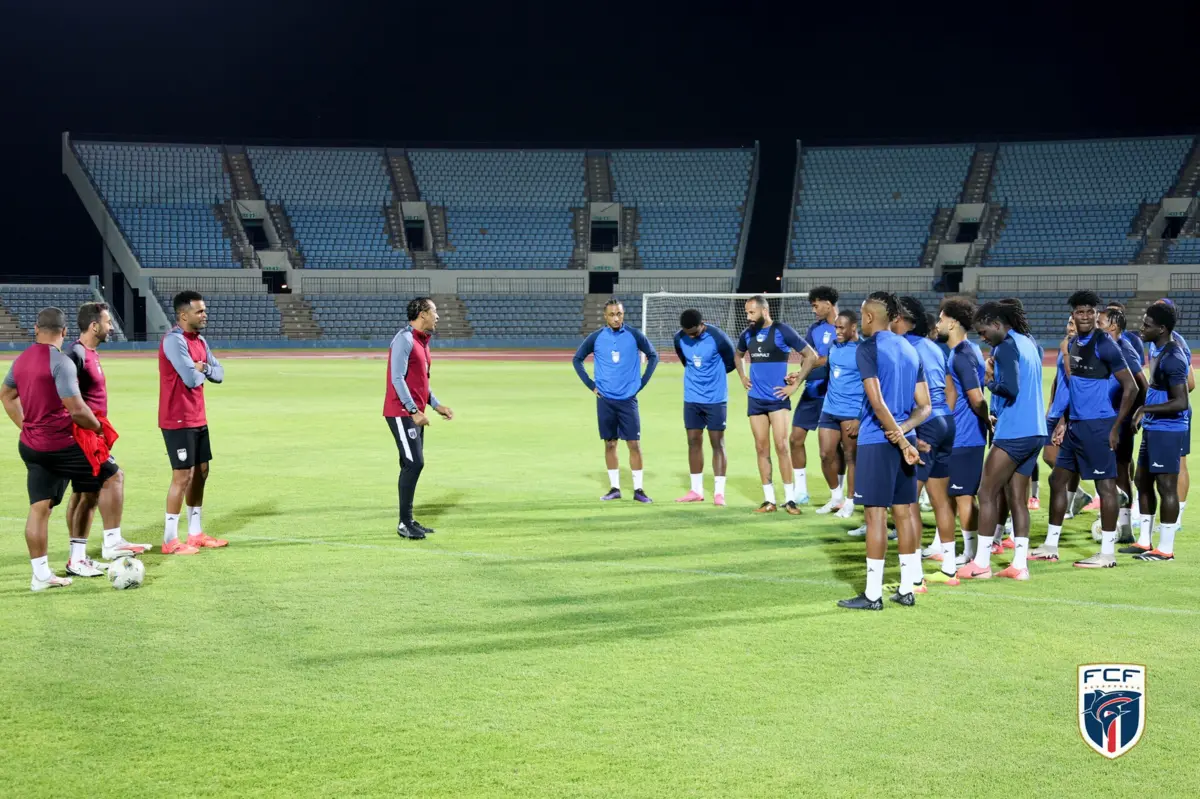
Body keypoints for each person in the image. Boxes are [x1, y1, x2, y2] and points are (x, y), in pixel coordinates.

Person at [1, 308, 118, 590]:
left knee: (39, 508)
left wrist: (25, 424)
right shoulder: (61, 362)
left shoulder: (21, 360)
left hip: (31, 445)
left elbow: (6, 395)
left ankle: (41, 575)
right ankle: (110, 544)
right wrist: (99, 428)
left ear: (35, 328)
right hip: (61, 445)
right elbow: (77, 410)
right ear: (64, 332)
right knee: (112, 474)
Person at [837, 291, 930, 610]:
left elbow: (877, 403)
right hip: (906, 441)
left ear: (867, 317)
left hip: (878, 442)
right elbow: (925, 406)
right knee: (903, 513)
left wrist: (899, 440)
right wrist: (906, 432)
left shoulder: (868, 348)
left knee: (876, 516)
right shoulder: (909, 347)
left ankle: (873, 594)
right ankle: (907, 589)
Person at [956, 300, 1045, 581]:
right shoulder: (1028, 342)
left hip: (1015, 430)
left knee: (986, 492)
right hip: (1035, 430)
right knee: (1017, 497)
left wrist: (989, 379)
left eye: (983, 332)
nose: (982, 337)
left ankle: (981, 562)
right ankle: (1019, 565)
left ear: (997, 325)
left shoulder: (1006, 345)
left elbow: (1010, 388)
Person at [1048, 291, 1138, 569]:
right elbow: (1073, 387)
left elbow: (1132, 387)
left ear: (1096, 313)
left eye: (1089, 311)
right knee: (1056, 480)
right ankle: (1050, 545)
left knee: (1106, 487)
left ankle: (1107, 554)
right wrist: (1063, 421)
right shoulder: (1073, 343)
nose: (1085, 316)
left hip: (1098, 425)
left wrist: (1115, 426)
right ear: (1073, 314)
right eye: (1080, 312)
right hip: (1075, 425)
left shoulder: (1105, 344)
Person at [65, 301, 148, 561]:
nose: (110, 327)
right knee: (114, 477)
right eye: (107, 322)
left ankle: (77, 551)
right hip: (83, 434)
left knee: (82, 491)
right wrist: (91, 426)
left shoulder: (88, 352)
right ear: (94, 325)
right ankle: (112, 542)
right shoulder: (75, 355)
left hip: (91, 431)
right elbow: (65, 396)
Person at [893, 297, 956, 584]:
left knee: (908, 500)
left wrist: (913, 433)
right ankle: (950, 567)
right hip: (946, 422)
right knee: (940, 498)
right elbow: (948, 387)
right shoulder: (934, 347)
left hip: (925, 425)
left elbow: (911, 395)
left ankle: (915, 578)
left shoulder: (904, 348)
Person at [158, 290, 227, 554]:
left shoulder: (200, 341)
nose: (204, 314)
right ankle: (170, 540)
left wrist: (204, 368)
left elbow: (219, 373)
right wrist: (198, 370)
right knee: (182, 476)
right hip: (177, 418)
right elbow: (190, 379)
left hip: (197, 416)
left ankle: (195, 533)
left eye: (204, 310)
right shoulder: (174, 341)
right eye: (199, 311)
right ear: (183, 315)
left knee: (201, 472)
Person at [735, 295, 817, 513]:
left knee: (781, 446)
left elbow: (811, 356)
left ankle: (790, 499)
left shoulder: (782, 330)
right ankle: (769, 500)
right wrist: (743, 376)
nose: (748, 317)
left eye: (752, 312)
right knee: (761, 448)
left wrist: (796, 384)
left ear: (764, 310)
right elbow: (738, 355)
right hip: (756, 401)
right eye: (746, 313)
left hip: (778, 400)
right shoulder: (747, 334)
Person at [574, 299, 659, 502]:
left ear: (624, 314)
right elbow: (577, 359)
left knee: (634, 444)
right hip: (605, 400)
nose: (615, 318)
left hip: (627, 400)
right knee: (610, 444)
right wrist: (591, 385)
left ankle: (639, 490)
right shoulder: (596, 337)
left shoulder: (634, 335)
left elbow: (653, 356)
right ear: (605, 316)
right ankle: (615, 489)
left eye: (619, 314)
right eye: (611, 314)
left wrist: (641, 383)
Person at [385, 297, 454, 539]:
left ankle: (409, 519)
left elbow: (421, 383)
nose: (438, 316)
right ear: (422, 313)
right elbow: (397, 379)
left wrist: (435, 405)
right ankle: (404, 523)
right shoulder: (404, 339)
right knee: (414, 463)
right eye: (434, 311)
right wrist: (414, 411)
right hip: (401, 412)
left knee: (411, 463)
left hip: (414, 412)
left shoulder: (422, 342)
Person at [932, 297, 989, 577]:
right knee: (959, 496)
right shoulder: (967, 351)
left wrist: (984, 418)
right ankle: (969, 551)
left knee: (964, 496)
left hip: (966, 437)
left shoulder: (962, 354)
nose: (938, 323)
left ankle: (971, 554)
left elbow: (976, 398)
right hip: (962, 435)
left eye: (941, 318)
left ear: (953, 321)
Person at [1129, 302, 1189, 561]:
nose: (1142, 328)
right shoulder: (1158, 349)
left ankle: (1166, 548)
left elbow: (1181, 401)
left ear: (1162, 329)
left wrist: (1144, 408)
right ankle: (1144, 541)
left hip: (1168, 428)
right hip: (1155, 426)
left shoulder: (1174, 357)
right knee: (1142, 480)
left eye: (1147, 325)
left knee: (1166, 486)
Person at [673, 309, 736, 505]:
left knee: (717, 443)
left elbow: (731, 362)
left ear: (703, 324)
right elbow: (685, 361)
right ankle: (696, 490)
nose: (691, 336)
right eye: (688, 332)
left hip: (715, 398)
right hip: (692, 398)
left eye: (695, 332)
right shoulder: (679, 338)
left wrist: (712, 377)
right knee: (693, 441)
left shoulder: (718, 338)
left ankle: (719, 492)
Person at [1098, 306, 1147, 542]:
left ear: (1113, 326)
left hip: (1119, 420)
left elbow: (1141, 384)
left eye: (1101, 322)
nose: (1097, 325)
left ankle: (1125, 528)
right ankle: (1122, 526)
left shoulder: (1124, 349)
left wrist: (1137, 415)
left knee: (1119, 471)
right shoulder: (1110, 347)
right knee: (1118, 470)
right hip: (1111, 419)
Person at [806, 309, 861, 519]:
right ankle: (836, 497)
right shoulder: (835, 347)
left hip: (851, 411)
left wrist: (860, 416)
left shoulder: (862, 350)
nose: (837, 331)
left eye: (841, 327)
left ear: (853, 327)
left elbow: (871, 385)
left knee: (850, 457)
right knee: (825, 454)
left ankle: (850, 501)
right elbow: (828, 370)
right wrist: (801, 375)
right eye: (836, 327)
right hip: (830, 409)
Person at [788, 286, 840, 505]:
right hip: (812, 388)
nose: (814, 310)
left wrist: (808, 367)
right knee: (795, 438)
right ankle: (800, 491)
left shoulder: (844, 326)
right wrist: (800, 373)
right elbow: (806, 358)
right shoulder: (814, 329)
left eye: (816, 305)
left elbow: (831, 358)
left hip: (836, 392)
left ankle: (840, 495)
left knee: (836, 449)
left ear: (828, 303)